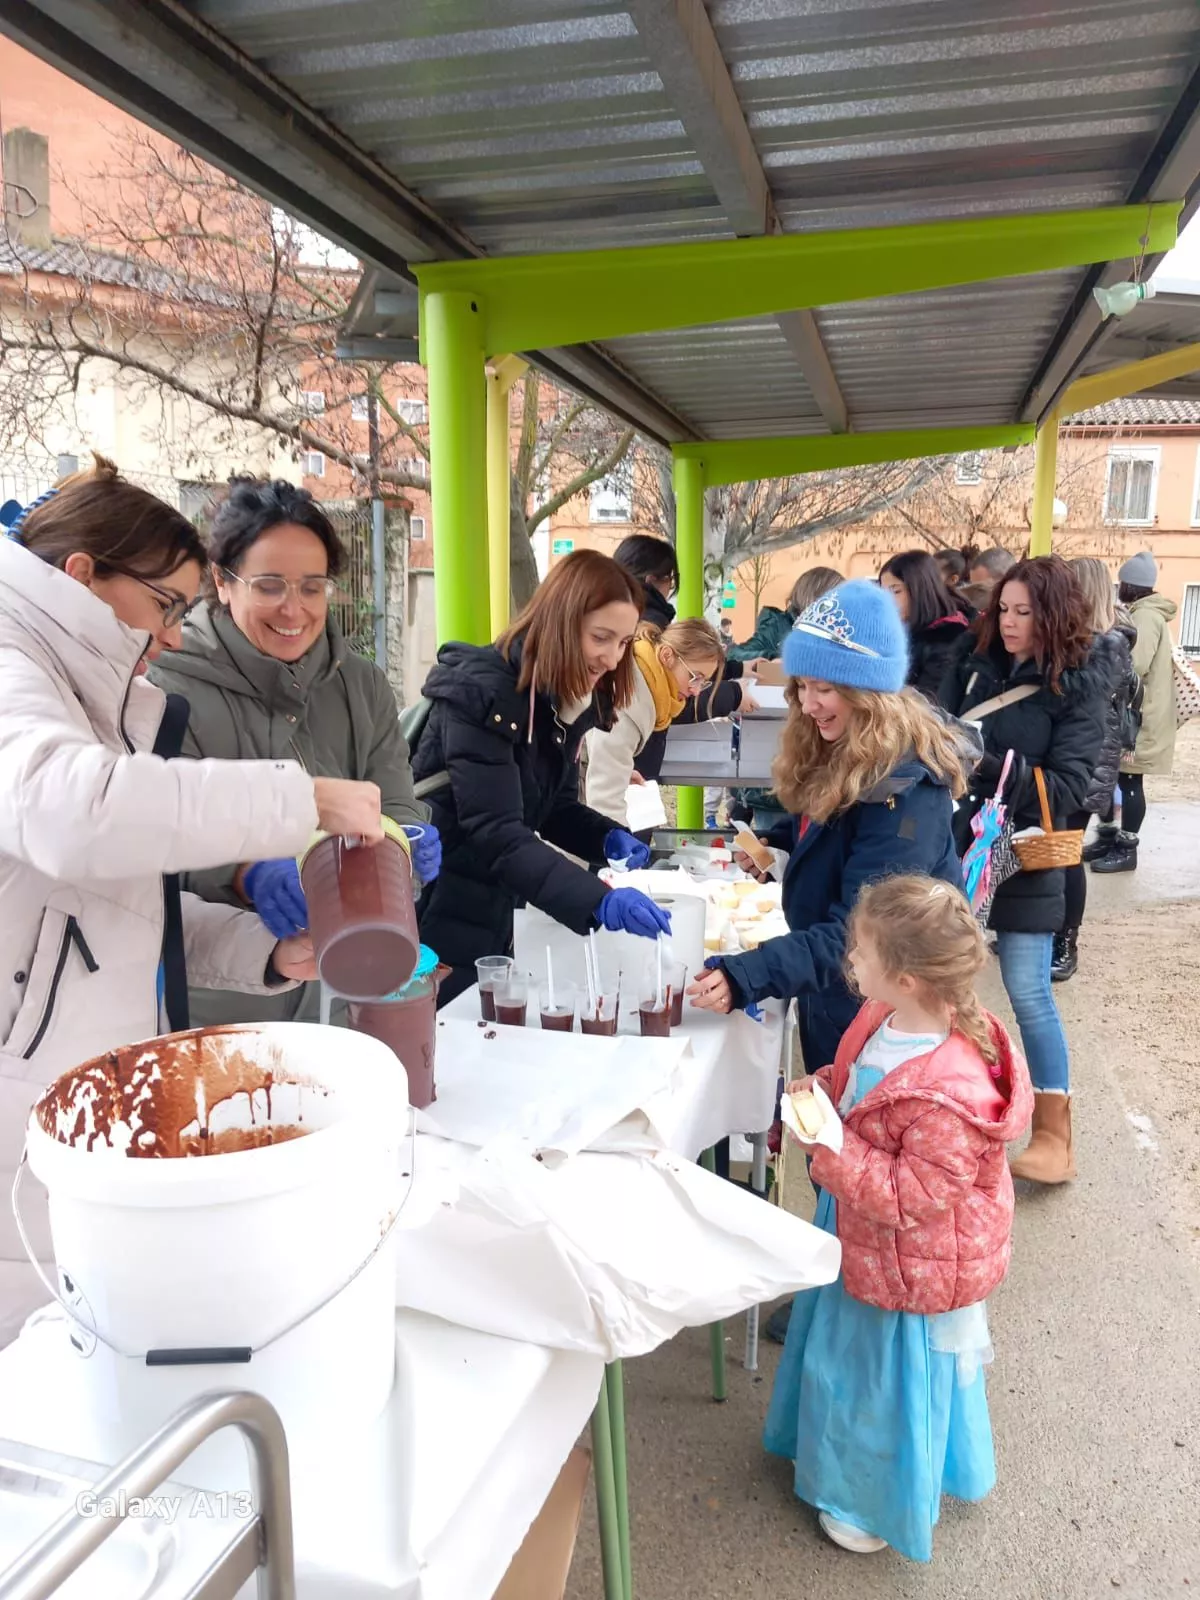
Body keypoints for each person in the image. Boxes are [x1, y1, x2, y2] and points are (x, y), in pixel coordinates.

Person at [0, 459, 382, 1343]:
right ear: (83, 576)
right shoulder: (14, 662)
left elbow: (118, 910)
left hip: (85, 1103)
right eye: (167, 605)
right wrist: (302, 800)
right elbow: (73, 813)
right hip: (26, 1117)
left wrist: (263, 951)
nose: (172, 635)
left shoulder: (79, 685)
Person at [765, 875, 1032, 1561]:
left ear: (907, 977)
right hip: (860, 1228)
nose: (849, 960)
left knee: (877, 1384)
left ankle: (871, 1501)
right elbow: (861, 1085)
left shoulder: (952, 1091)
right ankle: (838, 1461)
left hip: (905, 1257)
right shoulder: (885, 1020)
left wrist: (831, 1143)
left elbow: (910, 1196)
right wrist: (824, 1087)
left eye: (860, 951)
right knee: (844, 1361)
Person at [148, 478, 437, 1025]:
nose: (294, 610)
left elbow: (392, 804)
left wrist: (405, 843)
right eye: (270, 586)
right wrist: (244, 871)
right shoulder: (166, 689)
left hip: (349, 984)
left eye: (311, 587)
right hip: (226, 1002)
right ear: (222, 582)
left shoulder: (362, 686)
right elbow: (152, 837)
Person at [687, 579, 969, 1076]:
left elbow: (860, 933)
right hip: (842, 996)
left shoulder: (904, 793)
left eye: (826, 688)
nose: (809, 703)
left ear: (870, 694)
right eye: (803, 686)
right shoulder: (849, 751)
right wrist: (781, 849)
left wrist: (748, 975)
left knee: (857, 1146)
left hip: (885, 1016)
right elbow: (840, 844)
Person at [413, 550, 671, 1002]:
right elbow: (497, 832)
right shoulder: (482, 696)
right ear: (561, 622)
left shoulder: (561, 700)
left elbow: (552, 806)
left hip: (492, 909)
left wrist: (606, 839)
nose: (612, 658)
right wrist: (596, 900)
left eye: (625, 642)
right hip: (436, 911)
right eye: (601, 637)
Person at [940, 556, 1107, 1185]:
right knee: (939, 983)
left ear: (1054, 614)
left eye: (1024, 613)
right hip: (956, 845)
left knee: (1028, 988)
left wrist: (983, 765)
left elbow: (1069, 786)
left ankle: (1054, 1134)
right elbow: (940, 728)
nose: (1009, 624)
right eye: (1003, 610)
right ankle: (956, 1108)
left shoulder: (1079, 683)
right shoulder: (970, 658)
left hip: (1028, 853)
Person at [1051, 558, 1138, 980]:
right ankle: (1046, 928)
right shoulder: (1088, 641)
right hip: (1076, 758)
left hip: (1088, 763)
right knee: (1051, 848)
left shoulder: (1108, 645)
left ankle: (1067, 940)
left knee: (1066, 853)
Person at [729, 566, 844, 836]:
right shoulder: (777, 625)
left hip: (823, 760)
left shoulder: (841, 636)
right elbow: (739, 655)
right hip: (774, 752)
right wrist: (773, 661)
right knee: (776, 844)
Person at [583, 617, 725, 826]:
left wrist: (618, 772)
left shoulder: (643, 681)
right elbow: (604, 801)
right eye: (695, 676)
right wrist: (620, 848)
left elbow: (595, 752)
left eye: (703, 682)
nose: (695, 690)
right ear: (667, 656)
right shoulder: (631, 703)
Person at [1086, 551, 1178, 875]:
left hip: (1139, 719)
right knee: (1114, 777)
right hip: (1131, 714)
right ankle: (1108, 837)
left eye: (1123, 583)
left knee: (1129, 780)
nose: (1119, 589)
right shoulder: (1140, 612)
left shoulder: (1147, 617)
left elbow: (1134, 664)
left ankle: (1127, 847)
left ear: (1135, 587)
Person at [879, 549, 971, 700]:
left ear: (920, 589)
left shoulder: (948, 638)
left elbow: (928, 702)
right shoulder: (898, 629)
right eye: (883, 592)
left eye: (896, 591)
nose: (887, 601)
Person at [725, 567, 844, 668]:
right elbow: (734, 654)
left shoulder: (841, 628)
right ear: (812, 597)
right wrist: (774, 658)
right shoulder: (778, 624)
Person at [612, 533, 680, 631]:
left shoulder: (601, 612)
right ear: (652, 580)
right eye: (670, 579)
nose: (670, 588)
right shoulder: (654, 624)